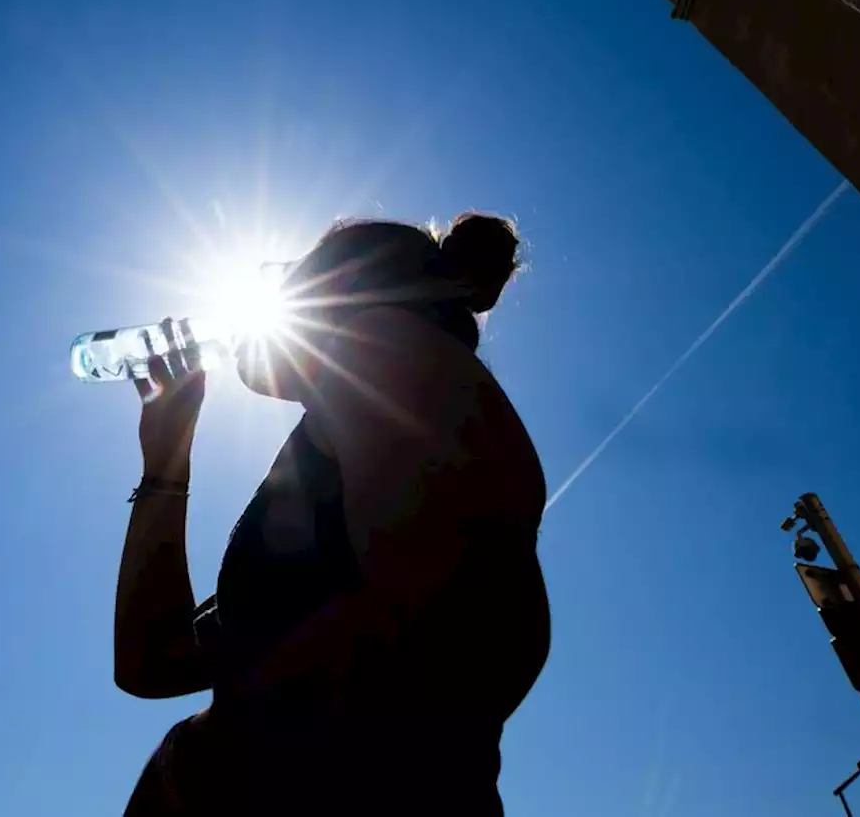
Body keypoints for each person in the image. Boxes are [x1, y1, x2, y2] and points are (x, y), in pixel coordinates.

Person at [114, 213, 550, 816]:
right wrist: (167, 458)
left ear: (334, 294)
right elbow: (152, 664)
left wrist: (226, 755)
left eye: (285, 278)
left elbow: (452, 636)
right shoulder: (328, 447)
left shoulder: (387, 348)